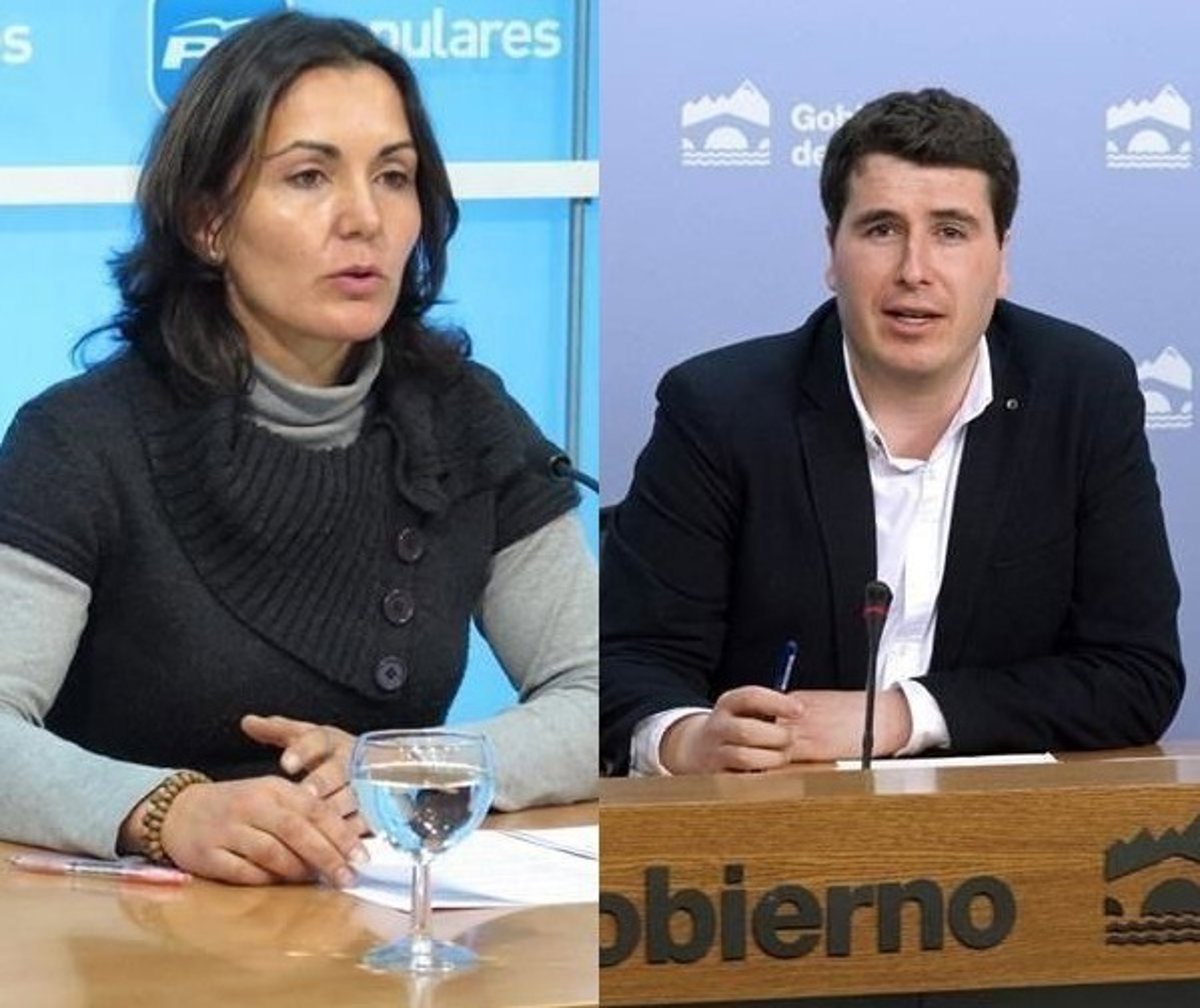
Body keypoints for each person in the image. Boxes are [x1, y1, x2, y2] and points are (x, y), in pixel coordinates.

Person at [0, 12, 596, 885]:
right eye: (309, 176)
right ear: (207, 222)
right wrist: (163, 809)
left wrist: (413, 766)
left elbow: (597, 688)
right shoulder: (83, 438)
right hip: (135, 925)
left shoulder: (466, 419)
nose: (365, 218)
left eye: (394, 177)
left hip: (375, 911)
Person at [600, 87, 1183, 777]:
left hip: (1001, 823)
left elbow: (1136, 673)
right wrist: (687, 738)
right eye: (881, 229)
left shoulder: (1083, 393)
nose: (914, 271)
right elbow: (627, 663)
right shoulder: (719, 409)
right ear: (832, 251)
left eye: (951, 232)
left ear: (1002, 257)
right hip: (773, 820)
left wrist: (899, 716)